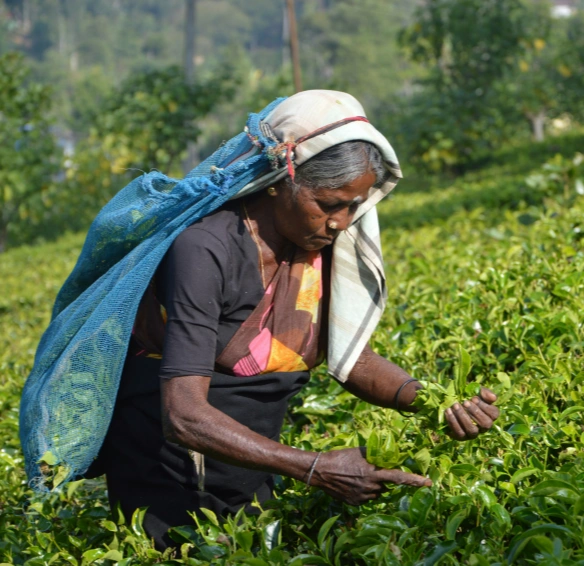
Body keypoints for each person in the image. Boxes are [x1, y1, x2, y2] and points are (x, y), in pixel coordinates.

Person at [88, 90, 500, 549]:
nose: (341, 222)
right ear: (280, 180)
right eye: (328, 204)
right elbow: (183, 414)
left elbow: (350, 358)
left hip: (255, 460)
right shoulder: (205, 249)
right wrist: (314, 467)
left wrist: (437, 404)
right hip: (168, 473)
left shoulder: (318, 246)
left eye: (353, 206)